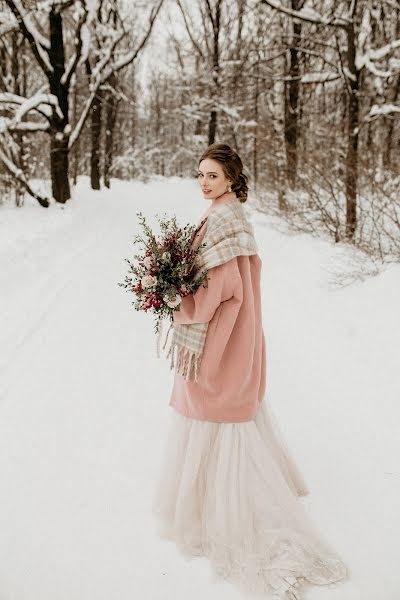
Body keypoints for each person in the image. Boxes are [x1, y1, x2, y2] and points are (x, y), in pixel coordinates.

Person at [152, 143, 349, 599]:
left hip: (224, 337)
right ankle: (212, 503)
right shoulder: (232, 214)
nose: (203, 182)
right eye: (199, 174)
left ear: (231, 179)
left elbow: (221, 288)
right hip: (240, 335)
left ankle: (231, 516)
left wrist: (176, 299)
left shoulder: (222, 220)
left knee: (216, 412)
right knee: (227, 415)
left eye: (213, 176)